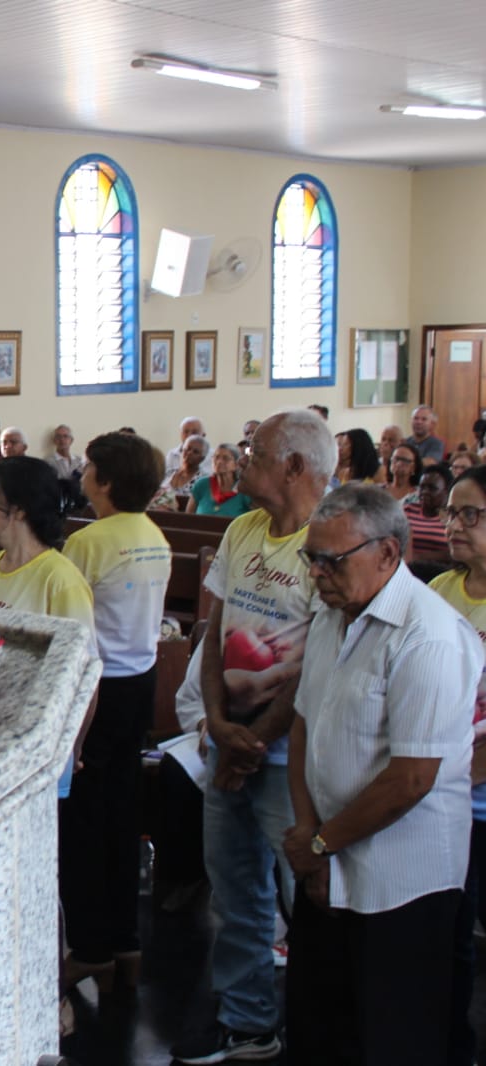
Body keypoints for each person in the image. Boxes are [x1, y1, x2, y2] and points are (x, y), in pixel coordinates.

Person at [284, 484, 480, 1065]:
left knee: (391, 1037)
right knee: (320, 1028)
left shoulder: (430, 636)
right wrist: (305, 832)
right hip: (325, 860)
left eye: (332, 560)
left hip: (401, 880)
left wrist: (320, 843)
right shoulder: (332, 614)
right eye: (311, 557)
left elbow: (413, 778)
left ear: (389, 554)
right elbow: (303, 726)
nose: (317, 572)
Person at [170, 409, 334, 1065]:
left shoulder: (329, 541)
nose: (241, 461)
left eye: (255, 452)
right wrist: (216, 723)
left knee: (310, 898)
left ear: (293, 466)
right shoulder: (241, 530)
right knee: (236, 891)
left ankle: (320, 1023)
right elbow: (211, 631)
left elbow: (321, 659)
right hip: (229, 740)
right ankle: (247, 1019)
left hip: (289, 754)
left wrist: (258, 739)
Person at [60, 431, 172, 996]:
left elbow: (73, 625)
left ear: (104, 480)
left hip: (100, 687)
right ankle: (126, 939)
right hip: (141, 682)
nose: (81, 476)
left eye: (87, 468)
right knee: (124, 815)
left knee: (83, 821)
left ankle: (90, 949)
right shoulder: (154, 534)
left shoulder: (91, 540)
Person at [0, 455, 98, 797]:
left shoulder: (59, 580)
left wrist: (71, 745)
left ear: (19, 509)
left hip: (35, 743)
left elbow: (85, 679)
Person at [430, 465, 486, 1066]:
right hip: (443, 796)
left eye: (471, 514)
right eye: (450, 513)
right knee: (451, 934)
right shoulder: (441, 590)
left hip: (468, 789)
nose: (455, 525)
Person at [187, 442, 252, 517]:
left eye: (226, 458)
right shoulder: (202, 485)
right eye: (216, 457)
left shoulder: (244, 489)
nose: (219, 462)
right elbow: (189, 517)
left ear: (236, 465)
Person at [405, 465, 451, 567]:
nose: (425, 492)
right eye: (422, 487)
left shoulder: (453, 517)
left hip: (440, 572)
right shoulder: (407, 510)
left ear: (447, 491)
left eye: (432, 488)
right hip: (406, 570)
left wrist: (417, 557)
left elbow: (452, 554)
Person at [152, 435, 209, 511]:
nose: (189, 453)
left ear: (202, 458)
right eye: (187, 449)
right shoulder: (169, 472)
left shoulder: (203, 480)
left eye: (195, 452)